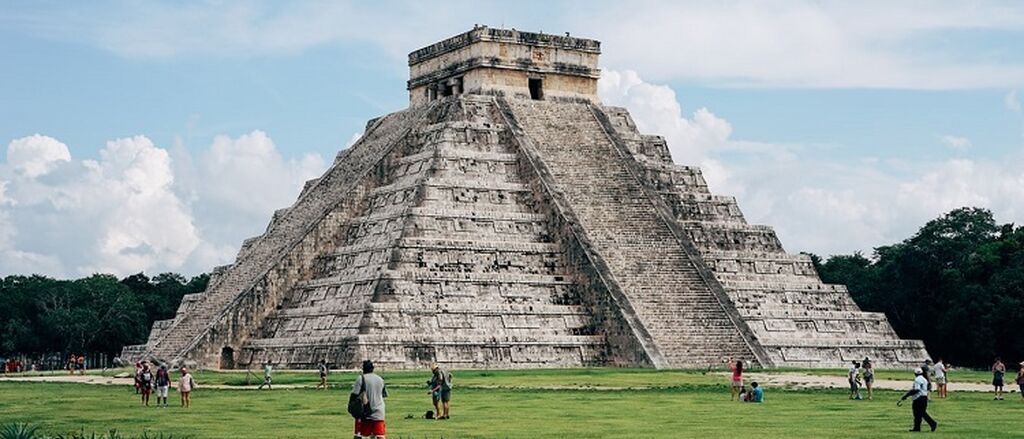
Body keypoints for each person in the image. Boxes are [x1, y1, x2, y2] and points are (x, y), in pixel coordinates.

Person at [351, 360, 387, 439]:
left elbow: (354, 395)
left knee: (359, 435)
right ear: (373, 368)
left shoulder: (361, 379)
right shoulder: (380, 379)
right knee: (380, 435)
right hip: (379, 411)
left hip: (365, 412)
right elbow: (383, 395)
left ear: (363, 369)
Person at [898, 368, 937, 432]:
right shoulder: (924, 379)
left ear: (915, 373)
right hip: (924, 397)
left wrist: (906, 395)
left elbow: (916, 389)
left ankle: (932, 423)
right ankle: (917, 428)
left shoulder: (917, 380)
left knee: (918, 413)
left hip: (918, 398)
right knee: (920, 413)